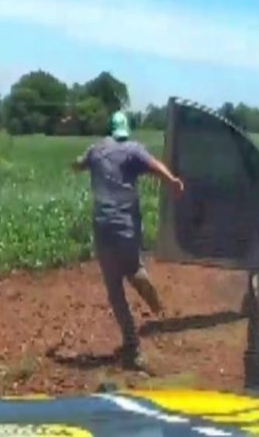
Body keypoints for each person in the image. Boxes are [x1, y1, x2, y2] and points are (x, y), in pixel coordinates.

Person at [72, 110, 184, 369]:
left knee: (115, 291)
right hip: (126, 227)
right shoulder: (134, 150)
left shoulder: (95, 150)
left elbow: (78, 163)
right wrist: (173, 181)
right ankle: (143, 282)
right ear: (126, 130)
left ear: (110, 130)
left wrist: (76, 164)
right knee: (132, 267)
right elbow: (155, 166)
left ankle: (133, 348)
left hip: (102, 227)